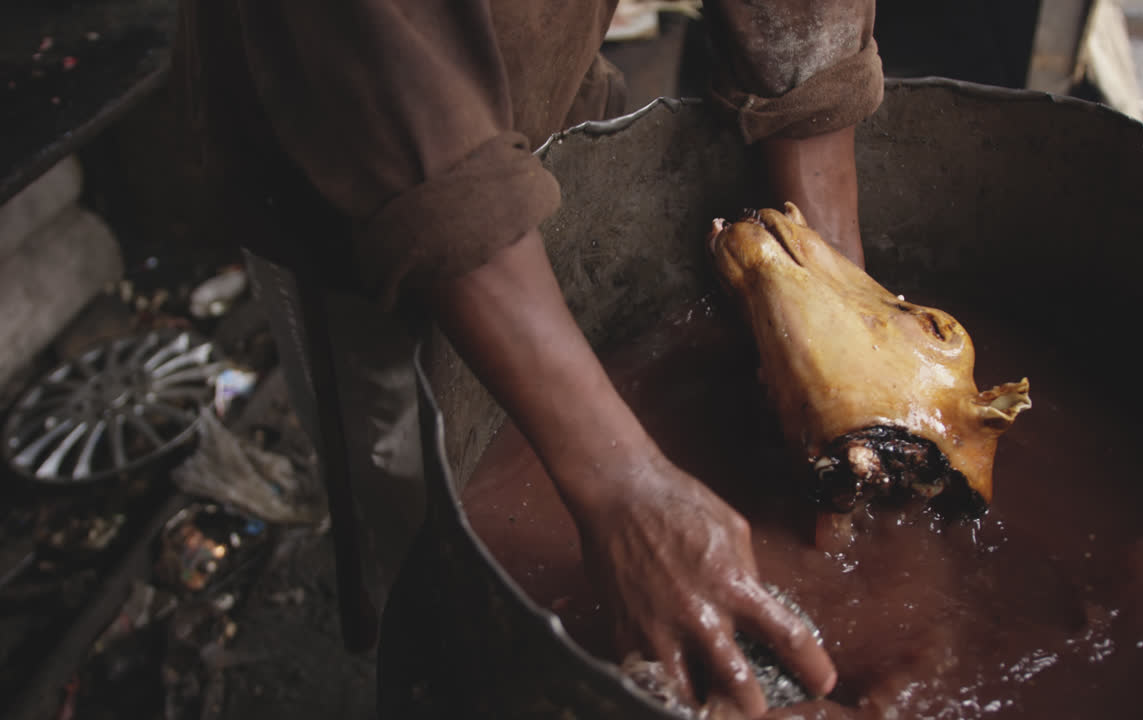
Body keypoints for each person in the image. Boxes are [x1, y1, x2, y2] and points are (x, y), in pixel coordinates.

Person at [173, 1, 883, 716]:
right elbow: (405, 113)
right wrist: (624, 485)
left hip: (536, 82)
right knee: (426, 519)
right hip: (349, 160)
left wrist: (833, 316)